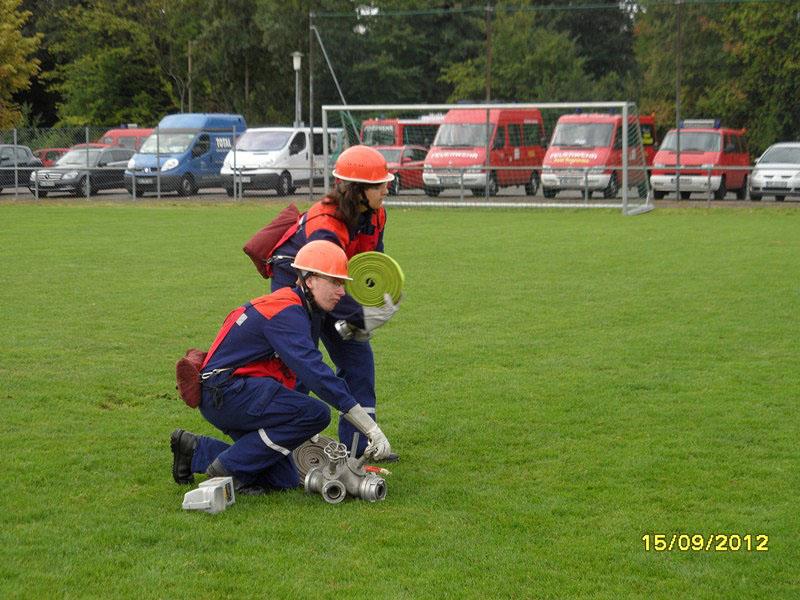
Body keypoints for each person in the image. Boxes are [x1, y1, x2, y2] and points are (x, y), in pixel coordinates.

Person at [170, 240, 392, 493]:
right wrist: (369, 427)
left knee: (283, 478)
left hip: (229, 393)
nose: (341, 291)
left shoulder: (294, 308)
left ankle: (195, 449)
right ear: (309, 280)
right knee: (315, 413)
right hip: (227, 392)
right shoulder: (287, 312)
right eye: (335, 282)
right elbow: (316, 375)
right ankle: (227, 468)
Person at [267, 145, 400, 459]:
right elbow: (321, 281)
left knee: (358, 361)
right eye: (379, 184)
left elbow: (369, 264)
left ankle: (360, 447)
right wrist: (364, 315)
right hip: (298, 281)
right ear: (357, 190)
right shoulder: (325, 222)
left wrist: (379, 295)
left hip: (332, 282)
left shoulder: (377, 213)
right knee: (301, 366)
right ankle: (286, 450)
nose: (387, 187)